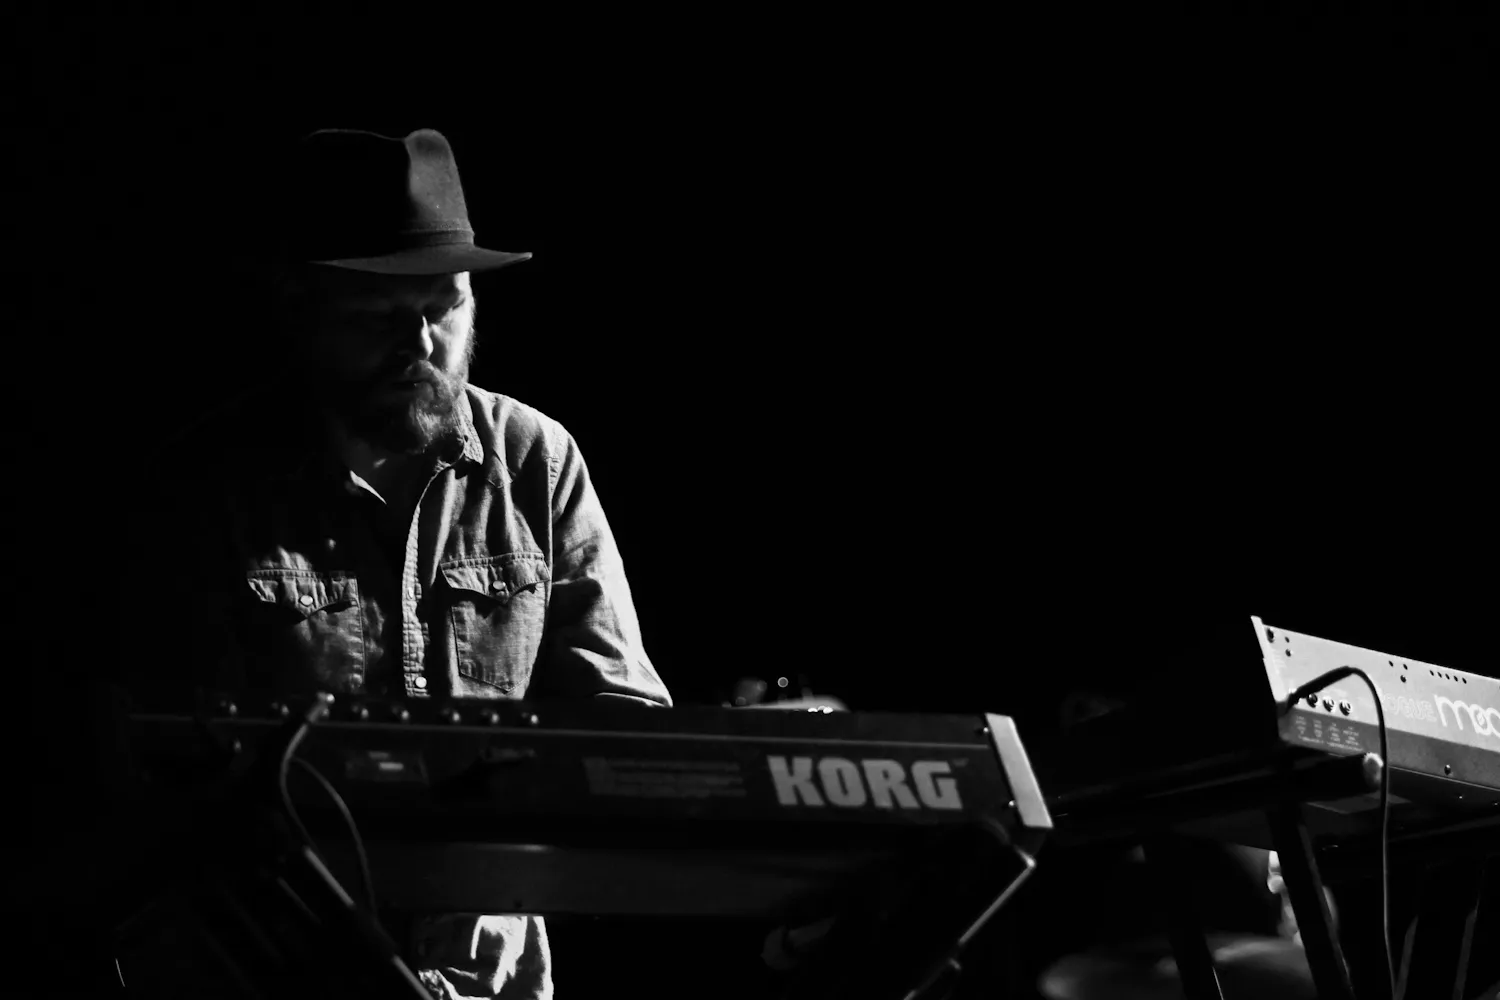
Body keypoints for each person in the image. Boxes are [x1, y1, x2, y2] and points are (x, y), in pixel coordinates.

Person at [121, 127, 672, 999]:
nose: (421, 343)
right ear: (299, 307)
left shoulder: (537, 459)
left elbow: (620, 719)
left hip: (485, 981)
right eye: (378, 314)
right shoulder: (207, 487)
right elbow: (158, 774)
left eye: (445, 306)